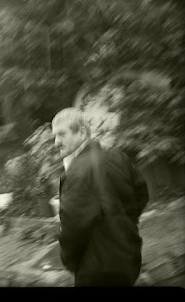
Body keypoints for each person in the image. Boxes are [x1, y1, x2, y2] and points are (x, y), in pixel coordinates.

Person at [52, 107, 149, 287]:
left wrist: (69, 261)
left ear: (82, 133)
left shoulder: (75, 174)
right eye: (55, 136)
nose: (56, 142)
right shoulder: (118, 156)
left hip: (97, 272)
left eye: (62, 134)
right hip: (129, 258)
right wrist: (125, 225)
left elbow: (72, 229)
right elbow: (142, 194)